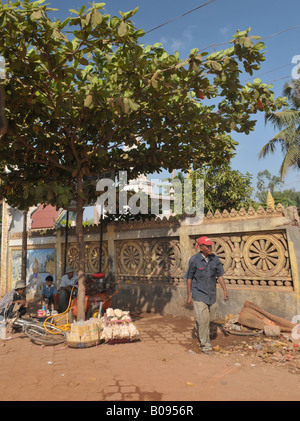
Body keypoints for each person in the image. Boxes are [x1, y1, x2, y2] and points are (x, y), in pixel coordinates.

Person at [186, 236, 229, 353]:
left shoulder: (215, 259)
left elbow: (219, 275)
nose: (210, 248)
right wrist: (189, 295)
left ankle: (199, 325)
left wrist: (225, 290)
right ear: (201, 247)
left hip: (211, 293)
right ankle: (206, 345)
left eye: (211, 245)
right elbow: (189, 278)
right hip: (198, 293)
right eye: (208, 246)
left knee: (211, 318)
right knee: (204, 320)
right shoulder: (194, 260)